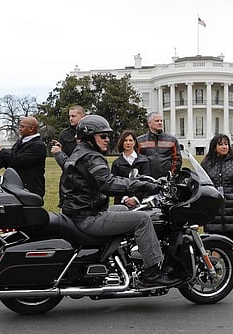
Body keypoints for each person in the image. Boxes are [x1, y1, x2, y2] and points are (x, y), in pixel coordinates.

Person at [60, 114, 178, 287]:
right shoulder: (91, 157)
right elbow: (108, 184)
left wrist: (142, 182)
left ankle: (120, 258)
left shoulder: (81, 153)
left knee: (125, 210)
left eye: (108, 136)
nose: (108, 139)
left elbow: (104, 180)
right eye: (103, 136)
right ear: (89, 137)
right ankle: (152, 273)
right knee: (142, 220)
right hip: (88, 217)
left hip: (81, 212)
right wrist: (144, 186)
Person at [201, 134, 233, 242]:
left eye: (226, 144)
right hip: (213, 207)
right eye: (221, 144)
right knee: (213, 240)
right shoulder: (206, 164)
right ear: (214, 147)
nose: (224, 147)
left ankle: (226, 258)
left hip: (230, 207)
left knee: (228, 240)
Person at [0, 116, 47, 197]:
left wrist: (0, 149)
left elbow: (17, 161)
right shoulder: (19, 143)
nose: (19, 129)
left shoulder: (38, 145)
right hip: (15, 187)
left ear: (31, 129)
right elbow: (1, 164)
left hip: (31, 190)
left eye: (22, 127)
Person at [110, 130, 150, 207]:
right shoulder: (116, 163)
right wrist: (125, 198)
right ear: (122, 142)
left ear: (134, 142)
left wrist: (135, 199)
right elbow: (114, 184)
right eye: (125, 140)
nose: (128, 143)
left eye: (130, 140)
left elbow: (147, 183)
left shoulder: (143, 161)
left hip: (140, 203)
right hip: (121, 203)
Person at [137, 112, 182, 180]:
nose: (160, 123)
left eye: (161, 120)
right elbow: (136, 160)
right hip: (146, 181)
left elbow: (177, 159)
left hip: (166, 181)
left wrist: (171, 175)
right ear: (149, 123)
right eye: (157, 121)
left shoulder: (172, 140)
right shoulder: (139, 141)